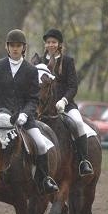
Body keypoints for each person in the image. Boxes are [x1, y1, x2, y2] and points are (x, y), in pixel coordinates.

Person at [0, 29, 58, 194]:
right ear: (7, 47)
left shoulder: (30, 70)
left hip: (23, 118)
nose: (15, 49)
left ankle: (44, 179)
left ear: (24, 48)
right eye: (12, 46)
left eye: (18, 46)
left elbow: (34, 98)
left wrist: (25, 114)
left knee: (40, 144)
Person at [42, 28, 93, 176]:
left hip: (66, 104)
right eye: (48, 42)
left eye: (54, 42)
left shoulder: (68, 61)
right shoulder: (40, 61)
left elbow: (73, 86)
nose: (51, 45)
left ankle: (84, 161)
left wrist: (64, 100)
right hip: (44, 107)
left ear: (59, 44)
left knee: (77, 123)